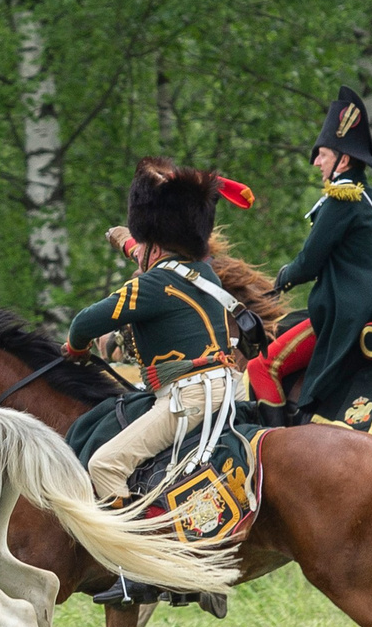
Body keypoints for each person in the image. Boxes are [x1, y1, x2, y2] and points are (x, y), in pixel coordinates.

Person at [66, 157, 255, 503]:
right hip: (232, 390)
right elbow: (145, 253)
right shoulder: (205, 272)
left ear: (153, 241)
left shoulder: (154, 284)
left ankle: (139, 553)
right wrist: (132, 243)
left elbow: (83, 324)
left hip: (189, 398)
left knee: (104, 466)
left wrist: (76, 350)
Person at [270, 86, 372, 423]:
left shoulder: (341, 200)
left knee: (265, 366)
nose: (316, 161)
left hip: (348, 312)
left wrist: (281, 278)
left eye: (323, 154)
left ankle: (271, 444)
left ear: (343, 160)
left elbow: (308, 264)